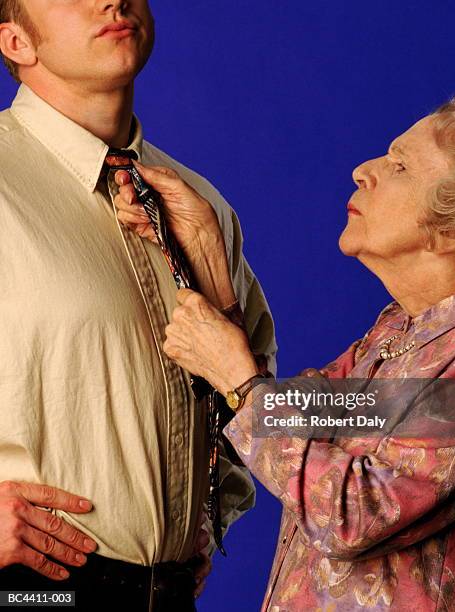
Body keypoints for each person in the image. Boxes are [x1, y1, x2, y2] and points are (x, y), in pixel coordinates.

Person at [119, 90, 455, 610]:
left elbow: (357, 515)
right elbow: (295, 414)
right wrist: (209, 255)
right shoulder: (402, 329)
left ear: (453, 231)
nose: (362, 170)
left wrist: (241, 383)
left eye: (399, 167)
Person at [0, 1, 276, 610]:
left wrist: (207, 511)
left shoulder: (201, 205)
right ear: (17, 42)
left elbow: (256, 397)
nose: (113, 0)